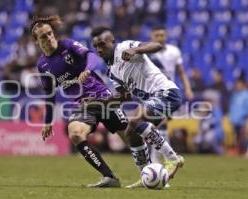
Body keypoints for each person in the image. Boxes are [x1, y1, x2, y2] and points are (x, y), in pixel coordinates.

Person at [30, 16, 149, 188]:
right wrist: (47, 122)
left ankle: (150, 173)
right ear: (36, 41)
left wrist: (87, 69)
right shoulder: (42, 65)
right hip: (83, 105)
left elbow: (91, 56)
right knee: (76, 133)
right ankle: (109, 177)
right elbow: (49, 94)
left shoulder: (68, 45)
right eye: (43, 36)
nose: (49, 38)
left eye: (50, 33)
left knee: (130, 138)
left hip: (102, 97)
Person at [90, 26, 184, 188]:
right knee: (130, 133)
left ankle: (173, 159)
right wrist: (99, 103)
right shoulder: (112, 71)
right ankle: (146, 175)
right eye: (96, 46)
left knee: (134, 120)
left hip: (166, 92)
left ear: (112, 42)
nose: (99, 49)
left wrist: (137, 50)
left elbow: (157, 46)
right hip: (152, 99)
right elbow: (124, 96)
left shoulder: (125, 47)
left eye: (102, 45)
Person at [147, 25, 194, 166]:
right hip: (151, 93)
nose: (160, 38)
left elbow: (181, 71)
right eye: (157, 35)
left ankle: (159, 163)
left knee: (161, 125)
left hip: (168, 93)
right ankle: (160, 162)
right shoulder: (147, 53)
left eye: (162, 35)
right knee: (153, 127)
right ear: (152, 37)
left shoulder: (174, 51)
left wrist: (188, 88)